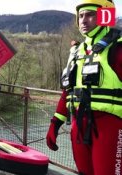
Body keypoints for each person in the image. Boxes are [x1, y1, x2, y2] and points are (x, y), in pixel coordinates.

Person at [46, 0, 122, 174]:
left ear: (105, 16)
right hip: (78, 125)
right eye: (80, 16)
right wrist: (55, 124)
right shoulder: (77, 52)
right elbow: (68, 91)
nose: (83, 20)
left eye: (90, 15)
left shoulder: (117, 47)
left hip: (109, 126)